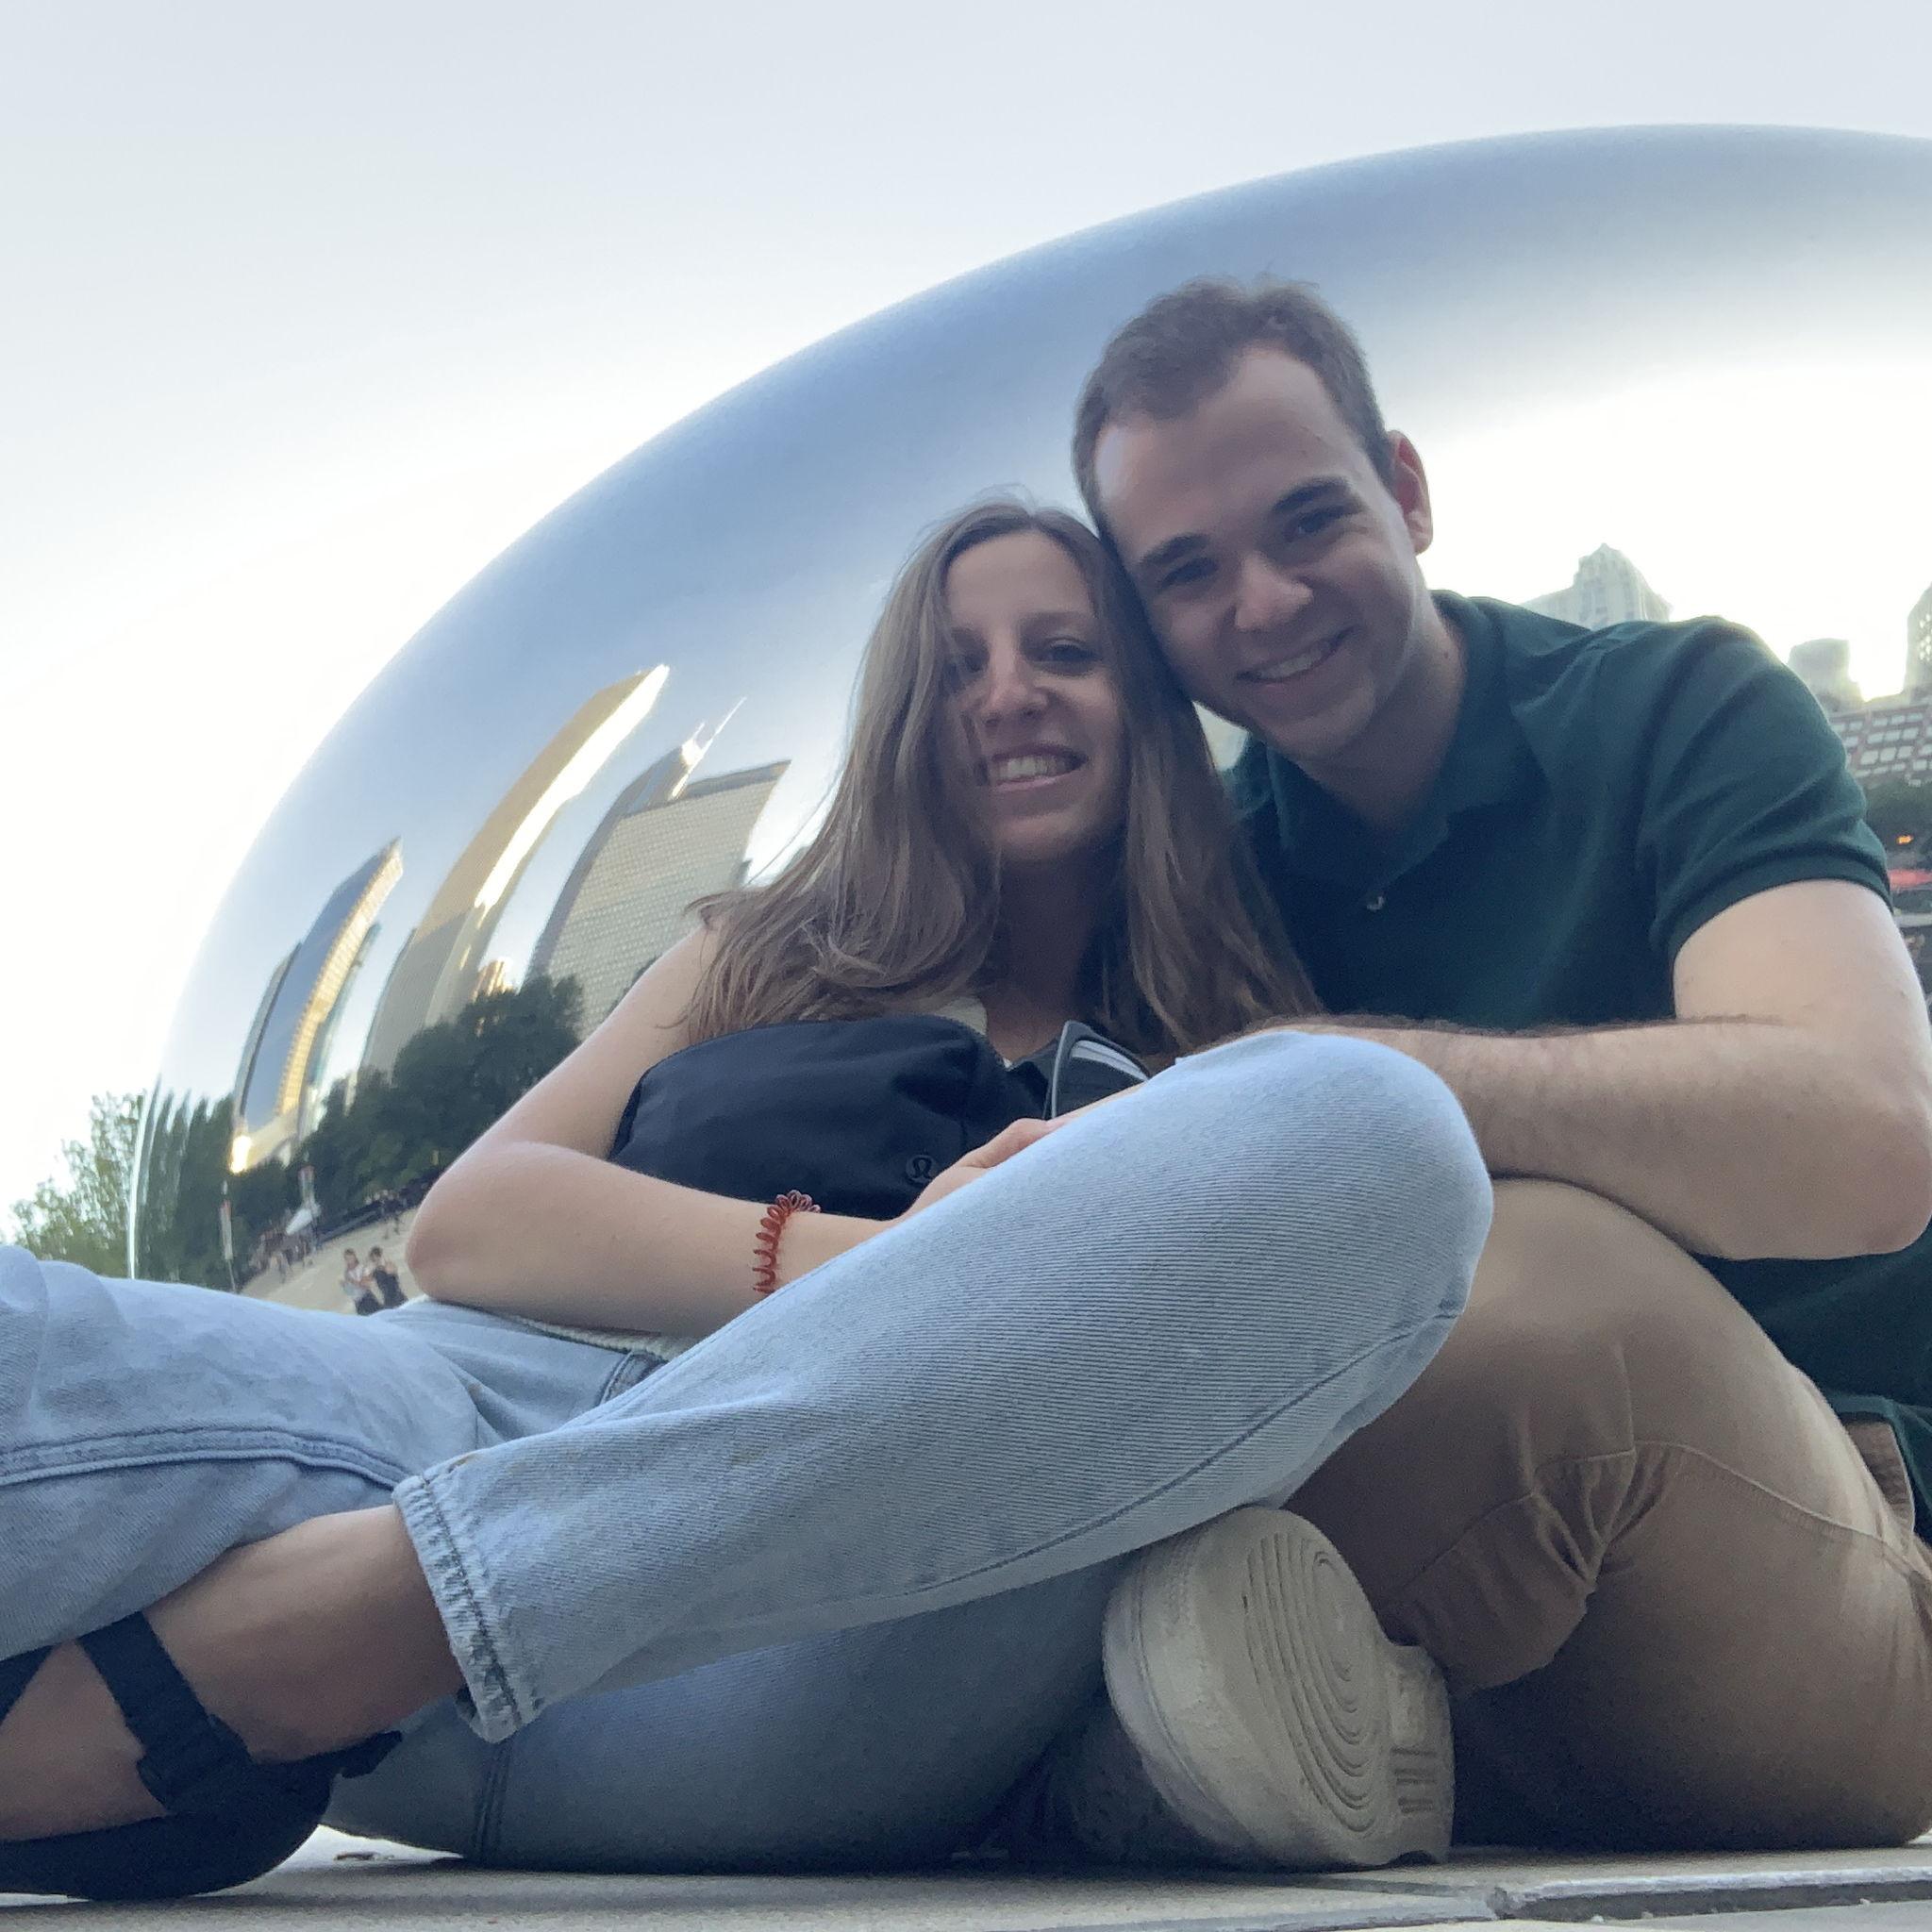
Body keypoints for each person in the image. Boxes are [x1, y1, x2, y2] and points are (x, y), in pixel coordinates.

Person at [0, 500, 1491, 1899]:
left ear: (1150, 711)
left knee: (1378, 1130)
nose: (1008, 694)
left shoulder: (1229, 1039)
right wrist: (894, 1257)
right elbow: (475, 1223)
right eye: (955, 665)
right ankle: (263, 1670)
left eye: (1064, 652)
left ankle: (301, 1656)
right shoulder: (759, 950)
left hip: (829, 1622)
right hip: (451, 1436)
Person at [1067, 276, 1932, 1852]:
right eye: (1187, 573)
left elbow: (1868, 1139)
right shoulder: (1193, 883)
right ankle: (1206, 1740)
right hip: (1443, 1624)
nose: (1259, 604)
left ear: (1404, 489)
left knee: (1554, 1290)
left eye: (1305, 520)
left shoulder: (1684, 709)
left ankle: (1113, 1770)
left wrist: (1353, 1080)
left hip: (1847, 1567)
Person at [338, 1248, 380, 1318]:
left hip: (368, 1298)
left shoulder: (363, 1268)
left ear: (355, 1257)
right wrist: (344, 1286)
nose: (349, 1261)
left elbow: (368, 1285)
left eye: (351, 1258)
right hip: (358, 1303)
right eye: (347, 1259)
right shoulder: (346, 1274)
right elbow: (350, 1292)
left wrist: (352, 1281)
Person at [365, 1247, 406, 1311]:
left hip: (398, 1296)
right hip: (388, 1300)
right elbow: (366, 1282)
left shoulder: (388, 1264)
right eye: (374, 1260)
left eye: (377, 1258)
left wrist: (381, 1265)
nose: (376, 1261)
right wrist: (369, 1267)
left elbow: (391, 1271)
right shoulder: (374, 1272)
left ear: (381, 1257)